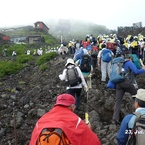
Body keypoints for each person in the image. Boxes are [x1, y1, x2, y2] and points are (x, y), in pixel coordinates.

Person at [29, 93, 102, 145]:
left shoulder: (41, 120)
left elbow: (33, 142)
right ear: (72, 107)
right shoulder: (76, 121)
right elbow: (93, 141)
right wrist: (88, 128)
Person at [112, 54, 145, 124]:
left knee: (118, 101)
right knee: (137, 97)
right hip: (126, 82)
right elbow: (136, 71)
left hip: (118, 83)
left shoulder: (119, 63)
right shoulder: (129, 62)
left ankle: (115, 119)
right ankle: (140, 116)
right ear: (130, 58)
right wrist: (143, 69)